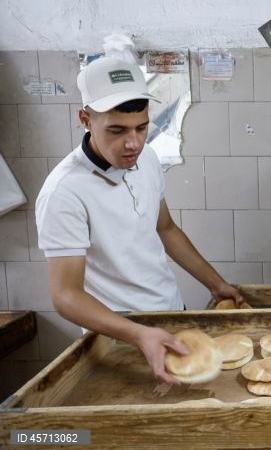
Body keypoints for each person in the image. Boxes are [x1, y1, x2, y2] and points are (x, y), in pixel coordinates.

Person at [35, 56, 245, 384]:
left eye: (142, 127)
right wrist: (138, 335)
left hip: (171, 316)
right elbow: (66, 295)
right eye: (116, 130)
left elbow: (165, 229)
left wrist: (215, 284)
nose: (132, 143)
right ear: (85, 119)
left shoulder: (146, 159)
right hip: (118, 339)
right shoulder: (64, 192)